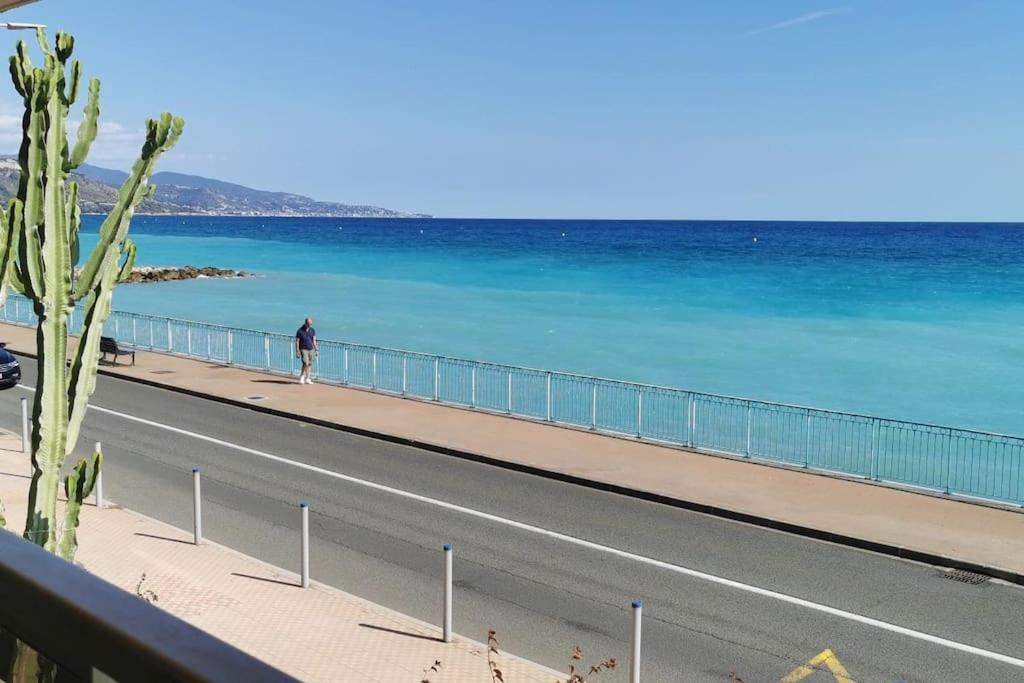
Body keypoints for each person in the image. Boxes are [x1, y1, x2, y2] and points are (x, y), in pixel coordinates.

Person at [295, 317, 318, 384]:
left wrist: (316, 348)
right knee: (305, 363)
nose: (310, 325)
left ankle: (308, 378)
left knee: (310, 364)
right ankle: (302, 376)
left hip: (311, 349)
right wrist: (297, 351)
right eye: (308, 324)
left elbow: (314, 340)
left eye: (311, 324)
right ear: (305, 323)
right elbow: (297, 341)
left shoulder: (312, 330)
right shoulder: (300, 331)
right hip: (303, 349)